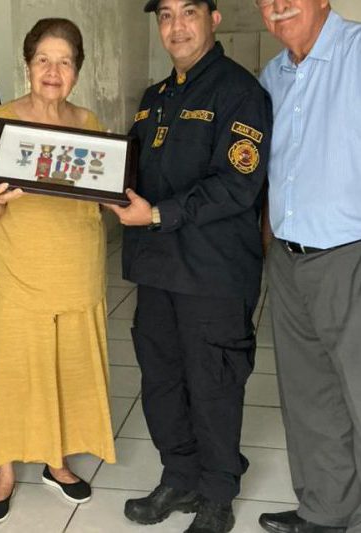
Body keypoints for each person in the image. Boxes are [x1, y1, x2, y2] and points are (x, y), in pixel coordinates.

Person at [105, 1, 272, 532]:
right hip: (156, 270)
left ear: (212, 19)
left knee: (213, 383)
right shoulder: (154, 97)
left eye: (189, 12)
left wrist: (157, 213)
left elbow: (237, 184)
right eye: (166, 15)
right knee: (161, 380)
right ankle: (179, 475)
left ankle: (218, 493)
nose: (177, 27)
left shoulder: (240, 92)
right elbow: (132, 171)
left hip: (212, 274)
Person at [0, 18, 116, 524]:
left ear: (77, 69)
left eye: (65, 62)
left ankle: (57, 463)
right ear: (28, 65)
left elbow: (100, 190)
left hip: (76, 268)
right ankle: (5, 471)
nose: (53, 71)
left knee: (67, 368)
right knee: (14, 371)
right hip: (18, 268)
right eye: (43, 61)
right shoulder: (1, 121)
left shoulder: (89, 122)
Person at [256, 1, 361, 532]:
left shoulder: (357, 53)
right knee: (310, 394)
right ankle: (327, 511)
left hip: (351, 253)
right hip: (289, 258)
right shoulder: (271, 75)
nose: (277, 5)